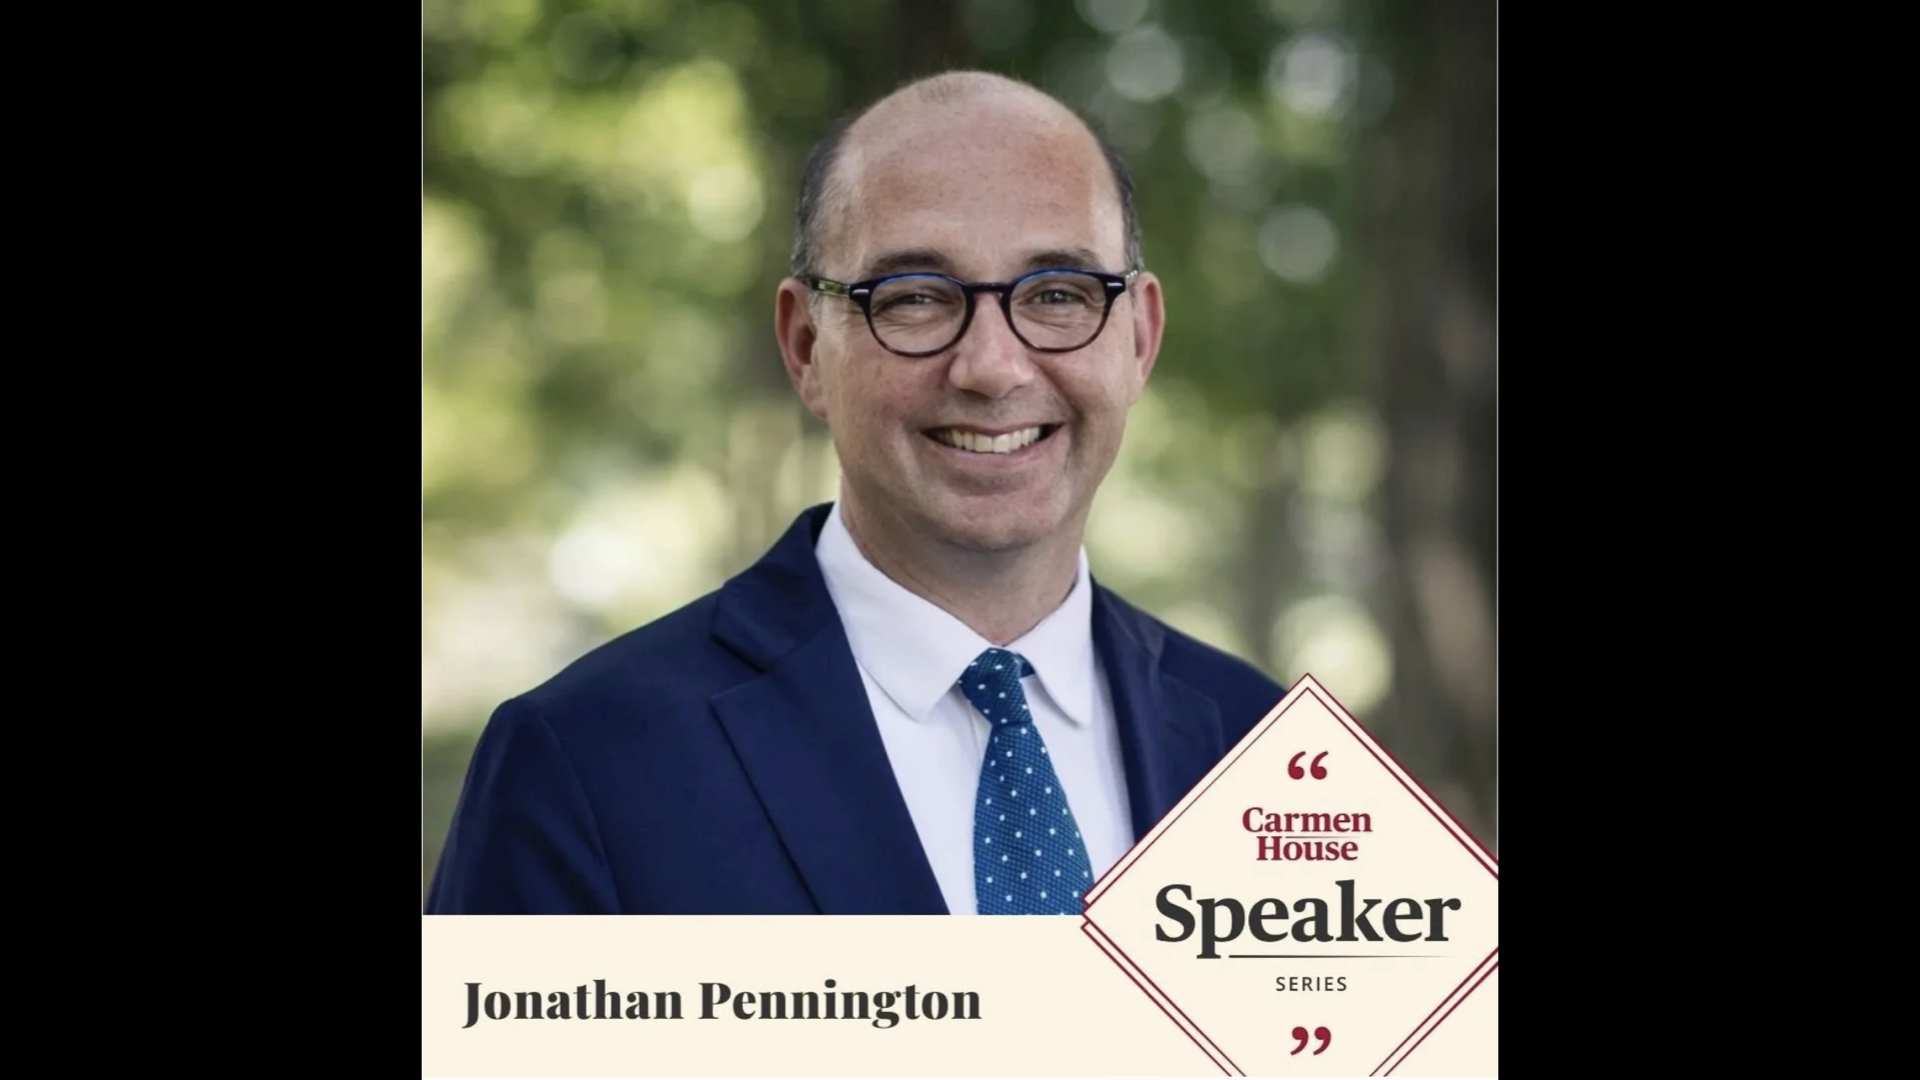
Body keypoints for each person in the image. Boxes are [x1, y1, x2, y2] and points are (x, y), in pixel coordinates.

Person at [426, 70, 1286, 916]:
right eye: (914, 298)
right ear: (805, 348)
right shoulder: (588, 763)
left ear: (1138, 338)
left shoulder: (1270, 757)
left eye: (1057, 294)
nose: (992, 367)